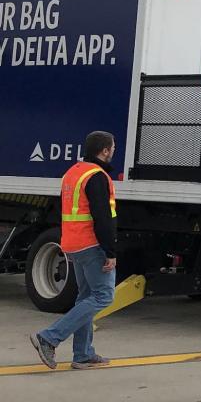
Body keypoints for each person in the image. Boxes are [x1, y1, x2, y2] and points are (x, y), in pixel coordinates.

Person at [30, 131, 117, 370]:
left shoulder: (73, 173)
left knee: (85, 298)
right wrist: (110, 251)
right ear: (105, 151)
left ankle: (83, 354)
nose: (113, 152)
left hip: (73, 243)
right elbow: (103, 218)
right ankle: (49, 337)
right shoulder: (97, 177)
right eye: (112, 148)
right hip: (92, 244)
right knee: (103, 296)